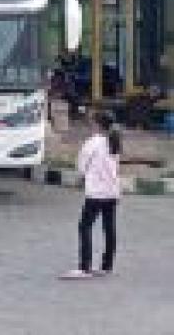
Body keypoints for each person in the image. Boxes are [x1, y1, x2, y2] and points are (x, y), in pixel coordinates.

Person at [61, 111, 122, 279]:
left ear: (97, 124)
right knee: (109, 228)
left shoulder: (93, 142)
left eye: (92, 122)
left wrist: (80, 179)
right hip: (112, 191)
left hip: (96, 192)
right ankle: (106, 266)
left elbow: (81, 165)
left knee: (85, 226)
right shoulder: (114, 141)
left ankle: (84, 267)